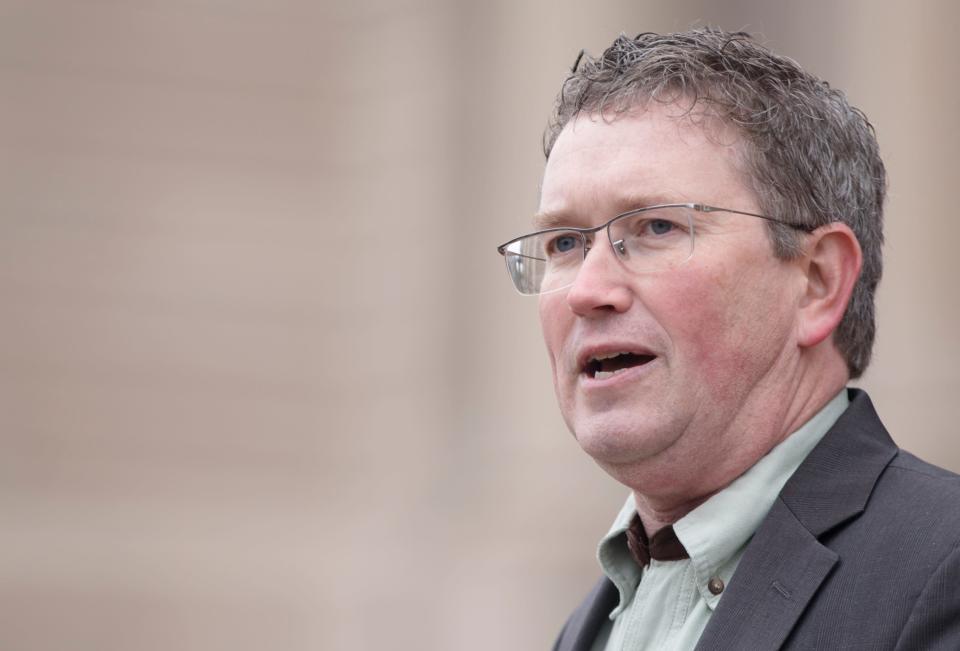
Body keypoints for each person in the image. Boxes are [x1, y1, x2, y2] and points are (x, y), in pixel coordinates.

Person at [496, 29, 960, 650]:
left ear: (817, 282)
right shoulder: (587, 627)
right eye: (564, 244)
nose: (587, 290)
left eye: (657, 226)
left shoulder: (942, 569)